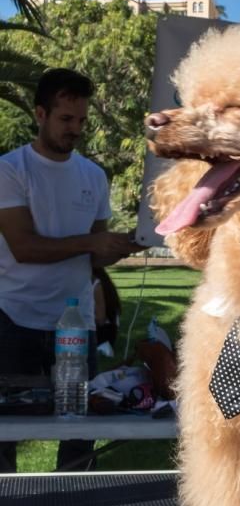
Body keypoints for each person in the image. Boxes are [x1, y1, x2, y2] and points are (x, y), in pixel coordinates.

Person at [0, 68, 144, 472]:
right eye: (66, 119)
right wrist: (91, 243)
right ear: (40, 113)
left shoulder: (93, 176)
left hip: (75, 326)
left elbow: (94, 258)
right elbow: (24, 247)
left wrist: (122, 246)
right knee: (6, 430)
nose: (75, 129)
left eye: (81, 120)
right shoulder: (10, 170)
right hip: (14, 318)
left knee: (81, 430)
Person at [93, 266, 121, 352]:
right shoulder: (103, 282)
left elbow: (100, 319)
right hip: (106, 331)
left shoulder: (97, 285)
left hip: (104, 333)